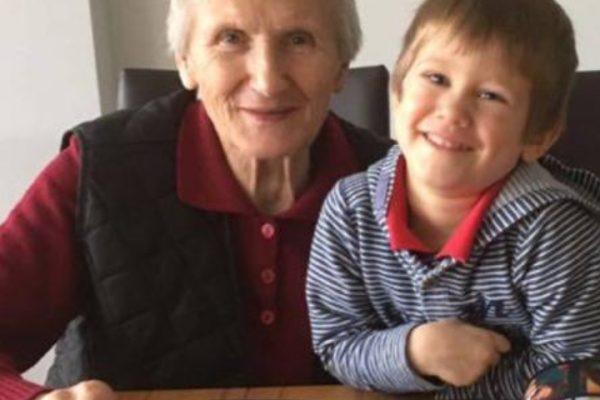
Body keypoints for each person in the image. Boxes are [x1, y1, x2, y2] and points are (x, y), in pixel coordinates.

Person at [0, 0, 393, 399]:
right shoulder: (96, 169)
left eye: (298, 40)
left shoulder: (400, 183)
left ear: (341, 67)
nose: (268, 81)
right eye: (230, 38)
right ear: (186, 62)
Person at [306, 0, 600, 398]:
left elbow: (578, 371)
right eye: (437, 78)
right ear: (398, 91)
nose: (453, 110)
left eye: (490, 95)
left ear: (538, 137)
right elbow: (337, 344)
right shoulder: (349, 210)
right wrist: (414, 354)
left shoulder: (558, 233)